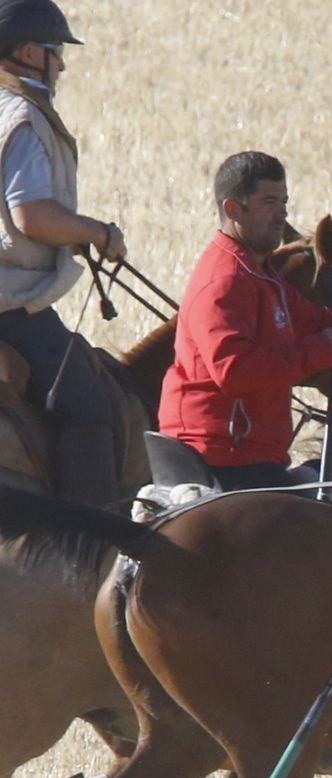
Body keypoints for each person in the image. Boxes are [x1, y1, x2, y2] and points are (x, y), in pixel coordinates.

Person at [159, 151, 332, 490]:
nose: (282, 214)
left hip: (249, 453)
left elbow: (317, 321)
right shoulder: (226, 280)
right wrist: (323, 350)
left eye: (284, 201)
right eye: (269, 202)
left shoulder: (261, 274)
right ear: (233, 210)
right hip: (224, 460)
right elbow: (234, 370)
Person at [0, 0, 123, 506]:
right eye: (56, 53)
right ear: (30, 52)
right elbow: (31, 215)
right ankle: (86, 542)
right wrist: (94, 233)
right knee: (85, 402)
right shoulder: (23, 116)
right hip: (10, 306)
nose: (62, 65)